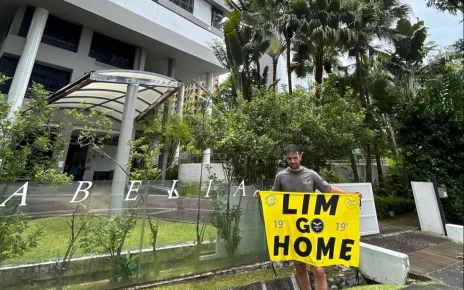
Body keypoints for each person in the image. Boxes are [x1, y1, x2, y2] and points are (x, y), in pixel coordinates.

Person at [253, 144, 361, 290]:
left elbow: (328, 189)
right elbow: (274, 197)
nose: (292, 161)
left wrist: (350, 197)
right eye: (289, 158)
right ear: (286, 158)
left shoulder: (311, 174)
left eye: (295, 158)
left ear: (300, 156)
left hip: (313, 229)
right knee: (300, 268)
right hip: (295, 230)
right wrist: (261, 195)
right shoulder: (281, 176)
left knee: (318, 269)